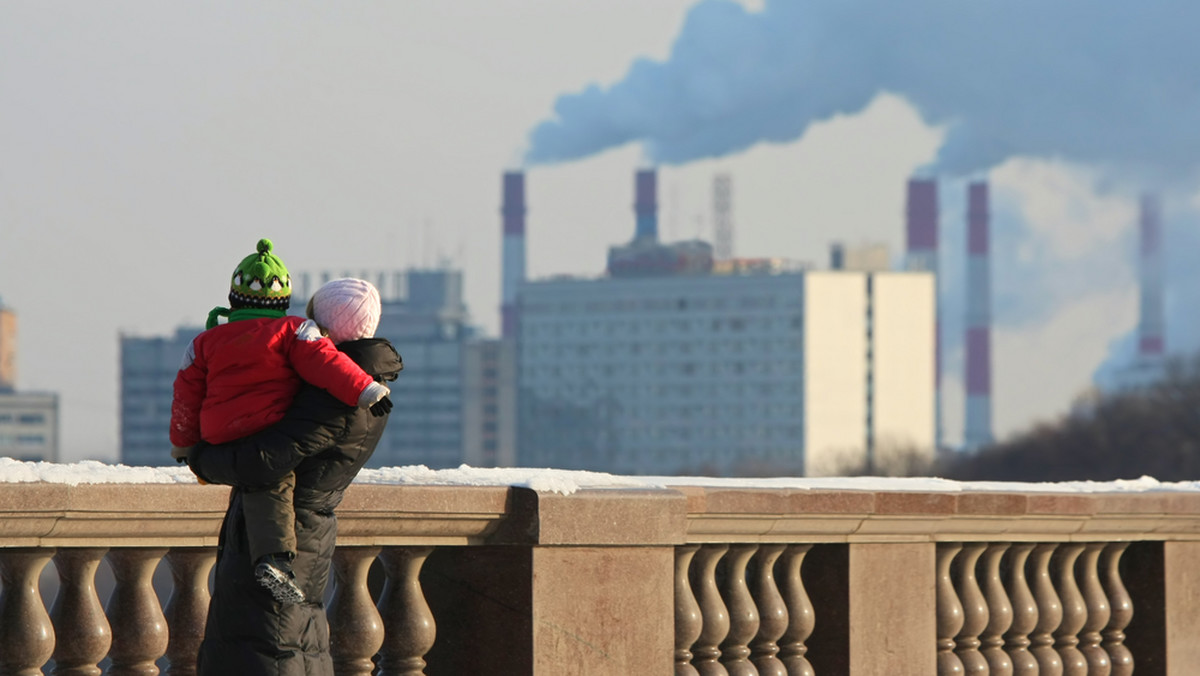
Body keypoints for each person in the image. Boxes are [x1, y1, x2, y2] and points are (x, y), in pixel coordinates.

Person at [186, 277, 403, 674]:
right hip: (306, 534)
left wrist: (202, 458)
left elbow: (264, 460)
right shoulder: (362, 388)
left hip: (283, 540)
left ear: (325, 328)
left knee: (269, 647)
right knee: (295, 648)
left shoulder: (331, 397)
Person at [169, 240, 391, 603]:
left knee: (264, 478)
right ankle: (274, 560)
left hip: (219, 432)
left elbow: (185, 397)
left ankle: (272, 560)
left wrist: (184, 444)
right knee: (273, 479)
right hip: (263, 425)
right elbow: (329, 366)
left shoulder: (205, 341)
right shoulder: (295, 334)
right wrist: (365, 390)